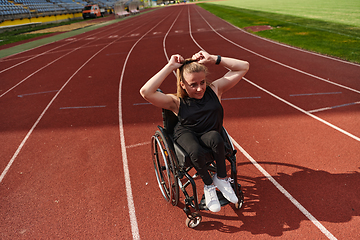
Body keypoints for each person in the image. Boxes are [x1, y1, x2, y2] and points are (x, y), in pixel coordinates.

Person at [140, 50, 249, 212]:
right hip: (186, 134)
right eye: (193, 84)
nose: (199, 89)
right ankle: (209, 186)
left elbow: (243, 67)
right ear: (183, 84)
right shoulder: (176, 102)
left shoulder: (215, 89)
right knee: (195, 151)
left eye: (202, 82)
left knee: (217, 138)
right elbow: (145, 92)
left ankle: (221, 178)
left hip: (208, 134)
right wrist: (170, 66)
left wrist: (213, 59)